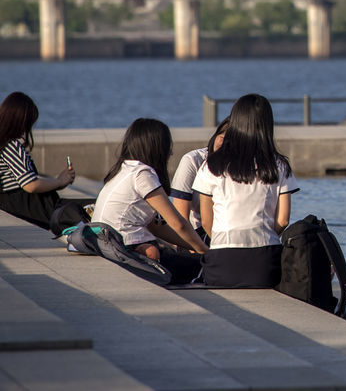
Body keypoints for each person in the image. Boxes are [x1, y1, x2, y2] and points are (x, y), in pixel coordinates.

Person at [193, 94, 299, 287]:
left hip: (221, 260)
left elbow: (207, 221)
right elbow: (283, 220)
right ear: (267, 124)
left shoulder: (211, 165)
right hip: (264, 262)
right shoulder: (279, 165)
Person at [93, 118, 207, 283]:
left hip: (109, 244)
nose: (171, 153)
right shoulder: (143, 174)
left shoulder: (124, 169)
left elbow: (157, 228)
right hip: (127, 249)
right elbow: (178, 223)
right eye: (168, 147)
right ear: (157, 148)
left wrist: (195, 248)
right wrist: (205, 251)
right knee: (199, 268)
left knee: (189, 259)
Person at [0, 91, 76, 229]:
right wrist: (59, 181)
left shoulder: (5, 146)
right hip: (34, 210)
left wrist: (58, 182)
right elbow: (30, 184)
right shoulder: (10, 146)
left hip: (25, 206)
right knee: (90, 209)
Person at [170, 116, 230, 236]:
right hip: (195, 235)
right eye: (222, 137)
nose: (223, 144)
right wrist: (196, 249)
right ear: (215, 136)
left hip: (226, 236)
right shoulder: (193, 161)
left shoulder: (239, 169)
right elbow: (181, 219)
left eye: (230, 142)